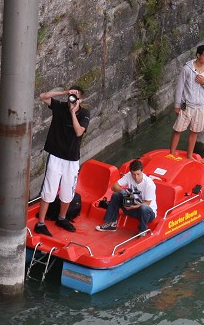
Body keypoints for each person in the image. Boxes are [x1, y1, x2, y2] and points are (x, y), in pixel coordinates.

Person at [33, 86, 90, 236]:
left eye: (75, 96)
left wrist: (73, 112)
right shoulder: (59, 107)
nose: (71, 99)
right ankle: (41, 223)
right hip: (56, 156)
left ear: (80, 100)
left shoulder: (84, 113)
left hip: (71, 160)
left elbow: (78, 132)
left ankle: (62, 218)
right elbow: (43, 95)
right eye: (71, 96)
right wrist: (64, 92)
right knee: (49, 190)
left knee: (67, 192)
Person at [170, 44, 204, 160]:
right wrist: (177, 106)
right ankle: (172, 153)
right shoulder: (187, 69)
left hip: (200, 106)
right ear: (198, 55)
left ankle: (189, 156)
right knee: (178, 129)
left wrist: (203, 82)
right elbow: (180, 87)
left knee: (195, 131)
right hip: (187, 105)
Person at [95, 159, 157, 234]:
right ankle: (111, 223)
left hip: (147, 213)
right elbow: (114, 187)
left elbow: (147, 203)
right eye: (134, 174)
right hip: (132, 206)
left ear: (142, 171)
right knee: (116, 195)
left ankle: (142, 230)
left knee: (144, 208)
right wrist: (124, 192)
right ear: (130, 172)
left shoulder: (149, 184)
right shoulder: (129, 175)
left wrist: (133, 207)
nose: (136, 177)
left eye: (138, 174)